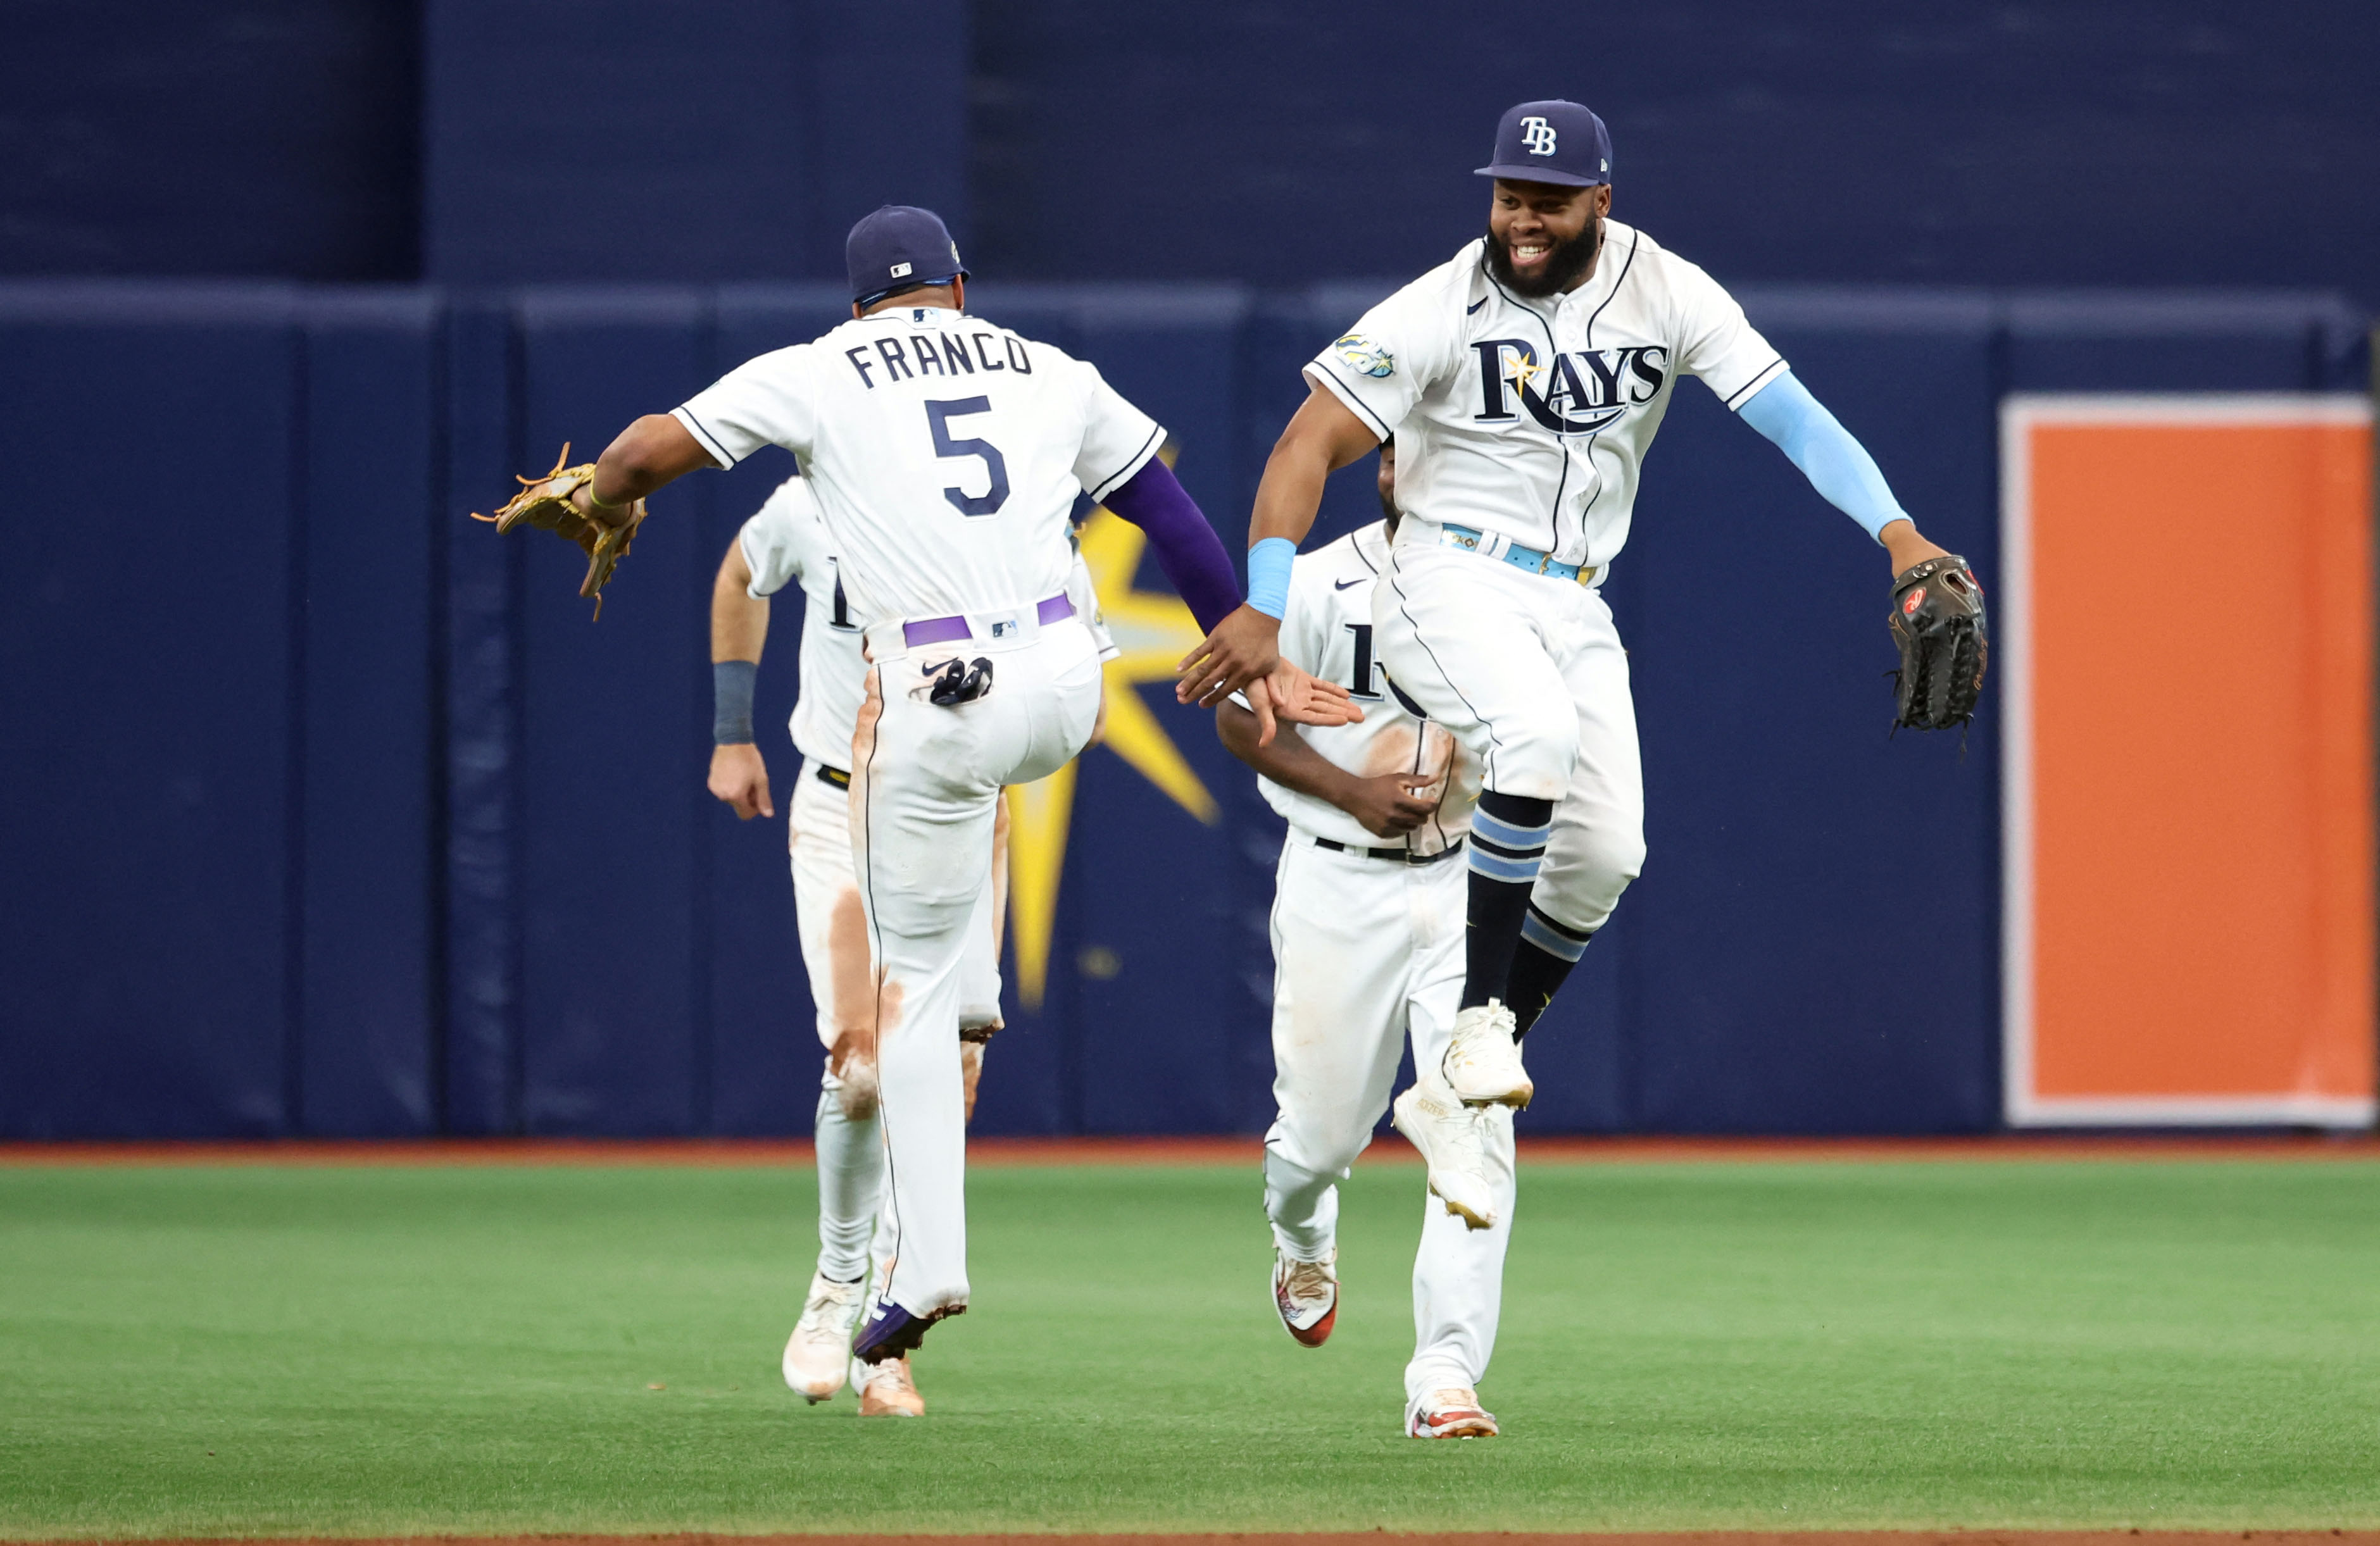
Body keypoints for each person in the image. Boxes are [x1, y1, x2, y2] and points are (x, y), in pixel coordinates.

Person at [537, 204, 1356, 1376]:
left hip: (940, 693)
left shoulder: (818, 369)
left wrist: (611, 497)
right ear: (959, 292)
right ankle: (971, 1002)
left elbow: (636, 455)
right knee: (953, 964)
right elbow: (1162, 508)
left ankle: (923, 1270)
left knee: (904, 995)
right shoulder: (1047, 367)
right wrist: (1240, 631)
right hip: (1067, 686)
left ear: (860, 303)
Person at [1180, 99, 1967, 1130]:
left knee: (1606, 854)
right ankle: (1474, 1029)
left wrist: (1898, 534)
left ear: (1602, 198)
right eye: (1511, 198)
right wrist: (1267, 605)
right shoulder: (1434, 307)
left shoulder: (1668, 290)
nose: (1525, 220)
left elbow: (1794, 419)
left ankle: (1459, 1069)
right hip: (1445, 569)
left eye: (1551, 202)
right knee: (1535, 739)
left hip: (1574, 595)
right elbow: (1302, 447)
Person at [706, 474, 1117, 1416]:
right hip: (841, 798)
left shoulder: (1015, 525)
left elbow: (1084, 704)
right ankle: (838, 1280)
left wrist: (980, 705)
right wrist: (734, 732)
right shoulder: (814, 500)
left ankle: (886, 1337)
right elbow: (739, 574)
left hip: (959, 806)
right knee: (862, 1066)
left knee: (951, 1070)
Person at [1218, 441, 1517, 1440]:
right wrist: (1351, 788)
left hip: (1471, 877)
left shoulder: (1521, 590)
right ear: (1380, 469)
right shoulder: (1310, 583)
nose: (1416, 463)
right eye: (1399, 447)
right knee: (1318, 1140)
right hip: (1339, 873)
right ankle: (1302, 1228)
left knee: (1477, 1125)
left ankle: (1444, 1375)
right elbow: (1232, 715)